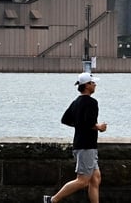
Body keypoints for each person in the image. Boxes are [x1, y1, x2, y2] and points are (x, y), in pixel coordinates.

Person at [44, 72, 108, 203]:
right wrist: (99, 127)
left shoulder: (76, 102)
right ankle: (52, 200)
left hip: (83, 144)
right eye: (93, 82)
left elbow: (65, 119)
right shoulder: (91, 102)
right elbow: (89, 122)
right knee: (83, 181)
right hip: (86, 146)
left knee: (95, 179)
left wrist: (79, 125)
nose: (95, 84)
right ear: (87, 85)